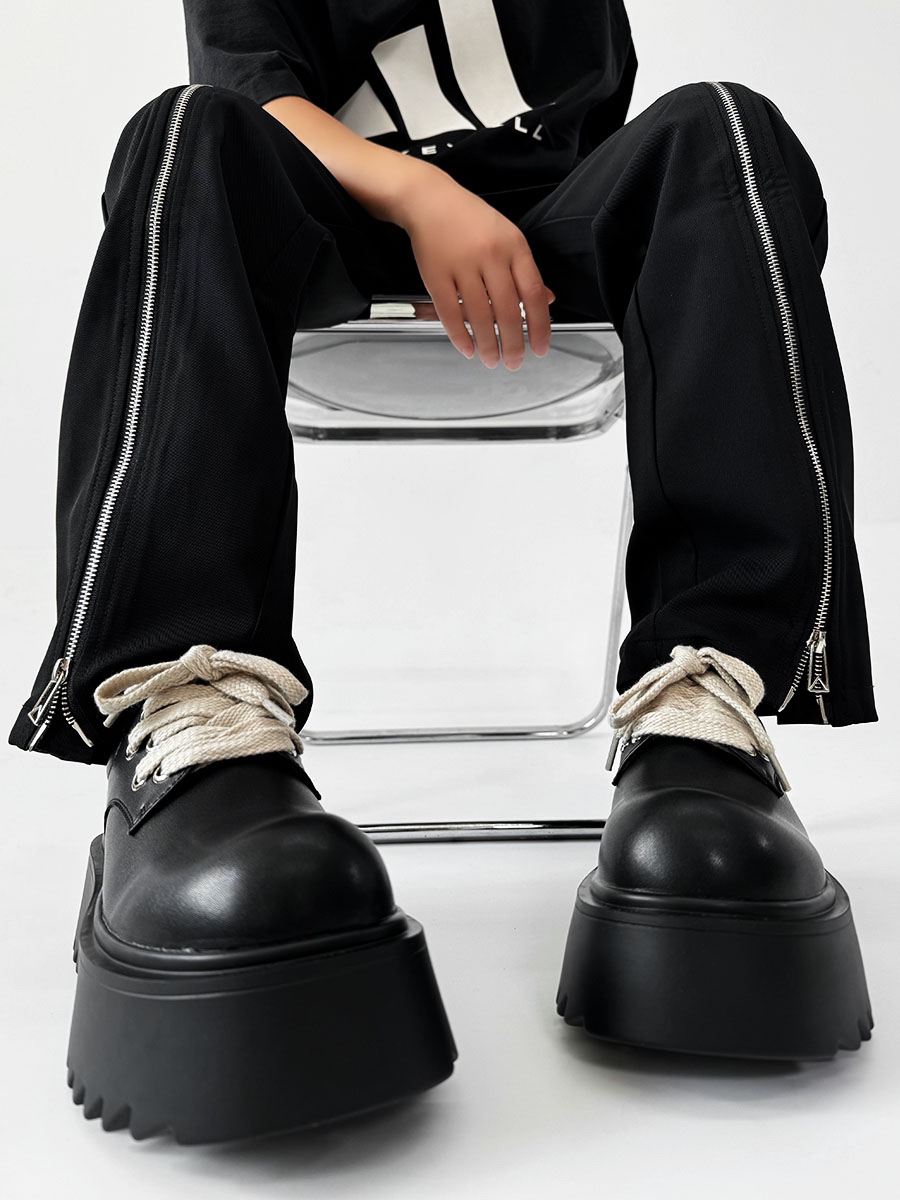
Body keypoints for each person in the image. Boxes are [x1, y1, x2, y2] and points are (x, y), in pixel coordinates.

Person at [8, 0, 878, 1144]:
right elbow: (258, 101)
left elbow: (603, 132)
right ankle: (185, 712)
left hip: (539, 252)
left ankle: (703, 706)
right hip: (324, 227)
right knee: (186, 131)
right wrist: (423, 196)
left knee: (724, 129)